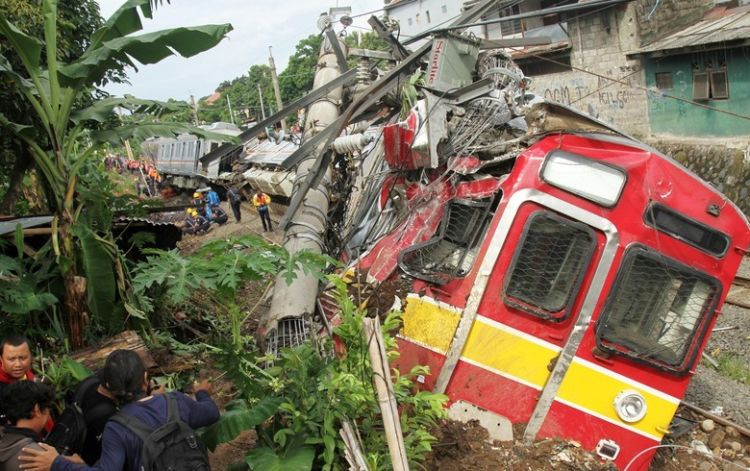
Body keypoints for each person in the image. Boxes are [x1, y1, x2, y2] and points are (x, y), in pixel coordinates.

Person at [19, 350, 219, 471]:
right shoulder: (177, 402)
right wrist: (201, 393)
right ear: (146, 379)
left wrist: (57, 463)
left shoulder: (117, 427)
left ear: (108, 387)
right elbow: (211, 413)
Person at [0, 381, 60, 471]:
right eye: (48, 410)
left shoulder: (4, 438)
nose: (48, 416)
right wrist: (58, 463)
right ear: (37, 409)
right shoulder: (40, 458)